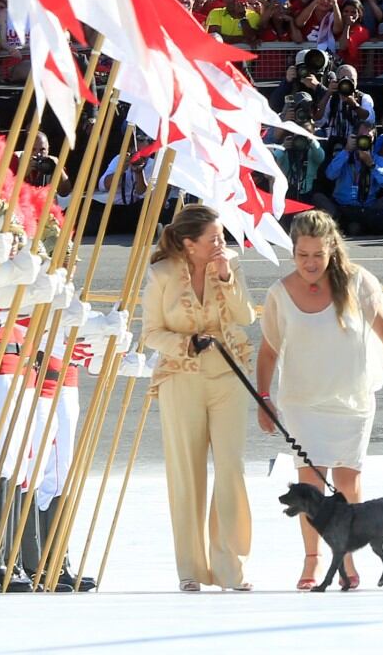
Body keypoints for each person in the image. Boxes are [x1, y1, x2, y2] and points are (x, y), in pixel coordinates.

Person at [255, 211, 383, 591]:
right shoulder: (279, 293)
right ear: (293, 253)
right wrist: (264, 398)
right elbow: (269, 351)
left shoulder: (358, 281)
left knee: (348, 483)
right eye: (302, 255)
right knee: (311, 484)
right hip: (303, 401)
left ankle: (347, 558)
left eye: (318, 255)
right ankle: (313, 559)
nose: (310, 263)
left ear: (332, 249)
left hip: (351, 400)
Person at [139, 205, 257, 592]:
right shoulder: (160, 275)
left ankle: (229, 567)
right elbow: (151, 333)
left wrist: (225, 277)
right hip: (181, 377)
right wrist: (185, 343)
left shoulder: (230, 265)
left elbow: (246, 316)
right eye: (214, 239)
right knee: (185, 471)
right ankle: (189, 570)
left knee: (230, 467)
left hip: (228, 374)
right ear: (189, 245)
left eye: (222, 237)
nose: (222, 245)